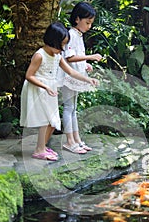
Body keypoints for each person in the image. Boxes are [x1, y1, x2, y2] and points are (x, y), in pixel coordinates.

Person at [20, 21, 98, 161]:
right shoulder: (40, 55)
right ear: (51, 41)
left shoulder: (57, 56)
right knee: (45, 120)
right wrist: (45, 87)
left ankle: (42, 146)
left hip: (50, 90)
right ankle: (39, 150)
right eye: (61, 45)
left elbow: (71, 72)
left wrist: (88, 80)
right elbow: (29, 75)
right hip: (38, 89)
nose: (62, 49)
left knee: (53, 121)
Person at [58, 1, 102, 154]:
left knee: (73, 109)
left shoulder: (78, 34)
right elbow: (69, 57)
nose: (89, 26)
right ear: (77, 19)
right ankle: (70, 141)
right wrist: (90, 57)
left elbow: (76, 57)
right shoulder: (71, 34)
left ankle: (76, 140)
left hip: (76, 76)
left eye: (91, 23)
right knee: (69, 108)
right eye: (87, 22)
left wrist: (85, 65)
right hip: (68, 78)